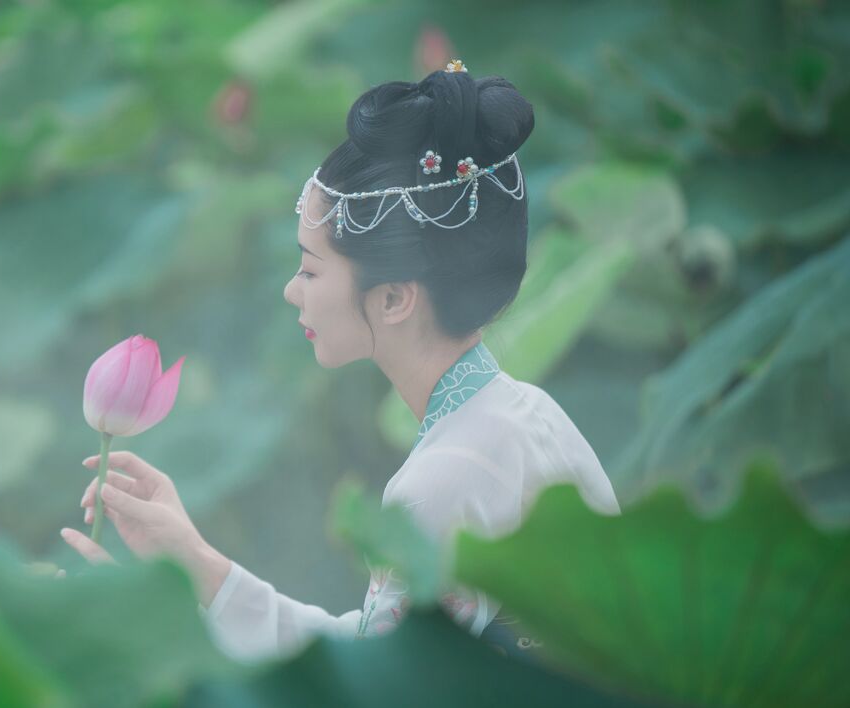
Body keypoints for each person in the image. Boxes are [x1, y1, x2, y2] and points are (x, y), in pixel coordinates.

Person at [59, 62, 621, 665]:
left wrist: (144, 615)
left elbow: (375, 699)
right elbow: (373, 660)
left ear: (394, 298)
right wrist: (196, 565)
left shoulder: (441, 481)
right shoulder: (532, 415)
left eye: (310, 269)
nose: (291, 291)